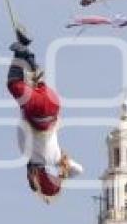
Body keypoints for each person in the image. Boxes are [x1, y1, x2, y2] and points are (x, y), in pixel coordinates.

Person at [7, 27, 83, 201]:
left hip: (54, 105)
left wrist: (63, 174)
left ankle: (27, 54)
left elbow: (79, 170)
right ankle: (21, 51)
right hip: (38, 110)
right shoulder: (30, 155)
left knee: (35, 79)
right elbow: (23, 122)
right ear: (35, 175)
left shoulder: (56, 158)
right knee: (14, 84)